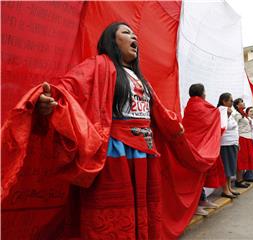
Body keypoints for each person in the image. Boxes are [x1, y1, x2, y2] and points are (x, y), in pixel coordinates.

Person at [2, 22, 185, 239]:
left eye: (135, 34)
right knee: (114, 219)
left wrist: (176, 127)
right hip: (115, 153)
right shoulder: (99, 65)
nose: (134, 37)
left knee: (142, 214)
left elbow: (159, 111)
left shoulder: (141, 79)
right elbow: (69, 86)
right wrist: (49, 99)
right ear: (112, 40)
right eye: (127, 33)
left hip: (144, 154)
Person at [185, 83, 219, 216]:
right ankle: (196, 206)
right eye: (205, 91)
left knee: (201, 175)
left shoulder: (190, 105)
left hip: (193, 145)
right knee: (196, 177)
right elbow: (212, 114)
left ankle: (203, 200)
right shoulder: (201, 106)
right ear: (202, 93)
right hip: (198, 147)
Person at [217, 93, 240, 198]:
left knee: (231, 167)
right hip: (225, 143)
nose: (232, 102)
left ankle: (229, 187)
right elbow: (222, 125)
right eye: (230, 100)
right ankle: (225, 189)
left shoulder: (229, 111)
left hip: (232, 142)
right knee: (226, 167)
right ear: (224, 101)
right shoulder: (220, 111)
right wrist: (228, 115)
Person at [232, 98, 253, 188]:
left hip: (248, 138)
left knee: (246, 159)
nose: (243, 103)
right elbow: (235, 128)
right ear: (237, 105)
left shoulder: (243, 114)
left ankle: (241, 179)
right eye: (241, 102)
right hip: (242, 138)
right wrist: (237, 141)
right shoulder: (237, 114)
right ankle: (238, 180)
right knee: (241, 160)